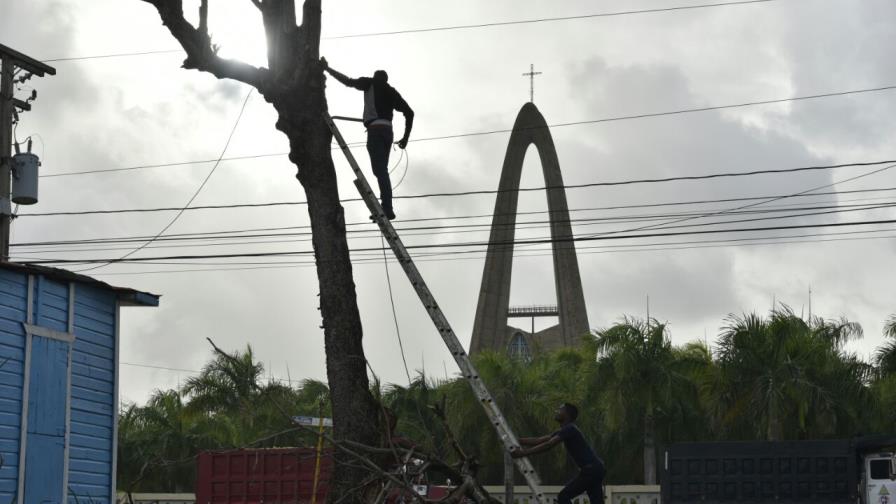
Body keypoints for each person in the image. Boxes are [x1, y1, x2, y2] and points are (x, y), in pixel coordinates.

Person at [321, 57, 414, 220]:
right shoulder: (391, 91)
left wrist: (327, 69)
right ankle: (387, 206)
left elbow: (348, 82)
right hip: (387, 132)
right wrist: (405, 138)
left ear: (376, 77)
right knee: (381, 171)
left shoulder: (370, 83)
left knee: (379, 171)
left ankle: (387, 208)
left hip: (376, 131)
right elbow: (410, 113)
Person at [511, 403, 605, 504]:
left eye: (560, 410)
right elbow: (539, 440)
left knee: (564, 496)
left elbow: (548, 445)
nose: (557, 411)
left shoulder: (570, 429)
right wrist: (517, 440)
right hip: (595, 469)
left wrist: (522, 453)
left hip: (591, 470)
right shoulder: (566, 430)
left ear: (567, 414)